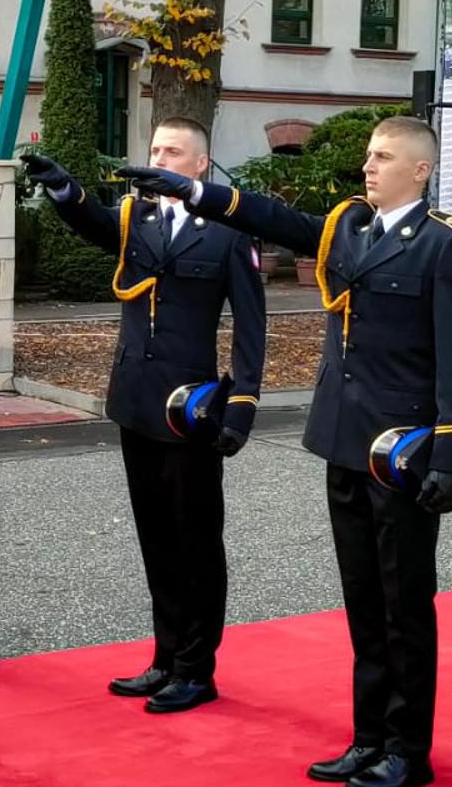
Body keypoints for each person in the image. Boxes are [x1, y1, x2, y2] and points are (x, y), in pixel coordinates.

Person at [113, 114, 452, 787]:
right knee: (363, 603)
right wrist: (191, 191)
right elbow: (273, 218)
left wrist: (451, 453)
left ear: (420, 171)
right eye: (369, 155)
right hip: (346, 444)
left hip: (400, 450)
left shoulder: (441, 246)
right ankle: (368, 736)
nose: (368, 166)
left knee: (404, 605)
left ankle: (407, 749)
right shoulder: (351, 229)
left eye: (383, 156)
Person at [20, 116, 267, 715]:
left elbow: (251, 328)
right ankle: (165, 657)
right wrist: (63, 188)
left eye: (172, 151)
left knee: (197, 541)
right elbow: (94, 223)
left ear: (199, 166)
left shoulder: (229, 232)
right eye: (154, 148)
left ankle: (196, 669)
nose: (158, 158)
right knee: (156, 536)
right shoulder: (139, 220)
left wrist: (241, 405)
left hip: (191, 410)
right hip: (136, 401)